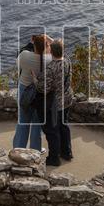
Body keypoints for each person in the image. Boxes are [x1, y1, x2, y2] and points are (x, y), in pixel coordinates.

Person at [38, 38, 74, 166]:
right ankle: (67, 152)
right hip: (67, 98)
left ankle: (54, 158)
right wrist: (54, 42)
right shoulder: (68, 61)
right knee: (64, 126)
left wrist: (35, 79)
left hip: (55, 104)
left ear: (51, 52)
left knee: (53, 131)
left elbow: (43, 89)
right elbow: (63, 51)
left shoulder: (50, 68)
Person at [12, 34, 48, 150]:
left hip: (25, 91)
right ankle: (35, 150)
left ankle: (18, 149)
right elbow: (60, 52)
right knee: (37, 123)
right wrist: (49, 40)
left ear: (34, 44)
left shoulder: (24, 56)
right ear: (46, 46)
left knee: (23, 121)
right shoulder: (49, 60)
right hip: (40, 94)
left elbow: (17, 65)